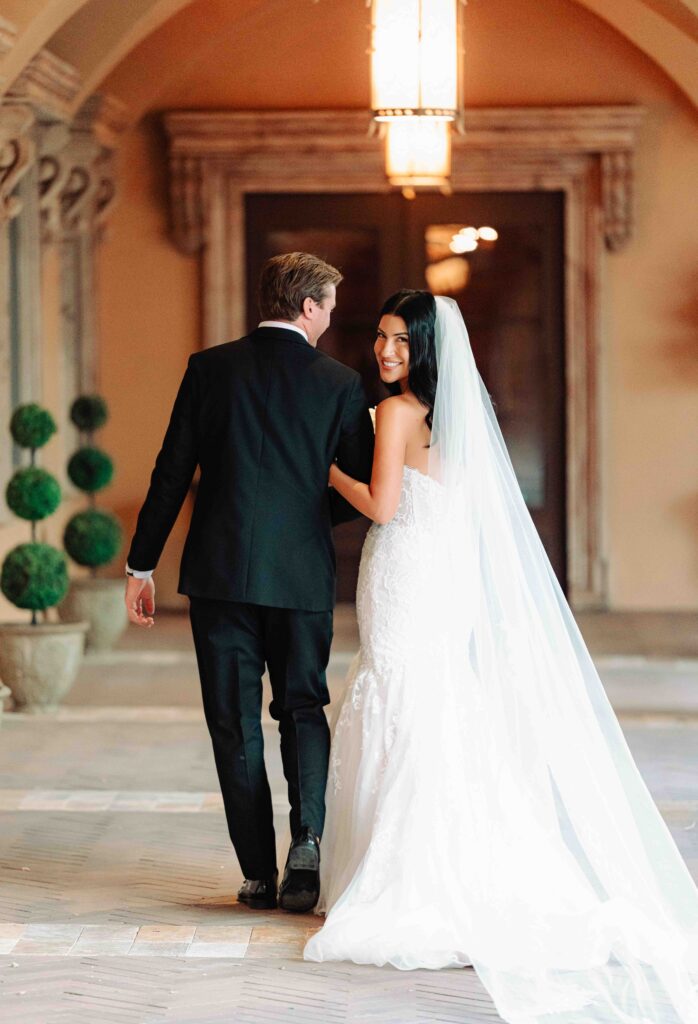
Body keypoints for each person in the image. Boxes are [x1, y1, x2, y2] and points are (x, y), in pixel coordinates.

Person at [304, 290, 698, 1024]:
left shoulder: (394, 411)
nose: (384, 351)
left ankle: (403, 872)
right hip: (441, 573)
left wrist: (327, 468)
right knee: (435, 698)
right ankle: (462, 859)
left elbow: (384, 507)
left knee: (395, 691)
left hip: (405, 570)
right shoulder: (459, 412)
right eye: (381, 338)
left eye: (398, 340)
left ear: (423, 346)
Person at [124, 252, 374, 914]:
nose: (331, 318)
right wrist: (303, 517)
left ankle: (259, 874)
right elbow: (362, 486)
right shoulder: (340, 382)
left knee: (232, 722)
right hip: (299, 574)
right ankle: (308, 844)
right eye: (330, 306)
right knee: (302, 707)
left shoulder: (210, 370)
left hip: (220, 573)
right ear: (309, 307)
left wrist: (140, 564)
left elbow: (171, 471)